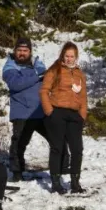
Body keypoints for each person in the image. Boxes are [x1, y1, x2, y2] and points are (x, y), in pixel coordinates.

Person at [2, 38, 68, 181]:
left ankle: (63, 168)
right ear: (15, 51)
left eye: (25, 51)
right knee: (19, 144)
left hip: (41, 109)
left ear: (30, 52)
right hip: (22, 112)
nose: (22, 53)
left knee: (57, 138)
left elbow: (49, 79)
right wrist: (37, 75)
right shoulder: (9, 66)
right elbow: (16, 84)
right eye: (19, 50)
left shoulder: (38, 63)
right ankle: (17, 172)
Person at [40, 41, 88, 195]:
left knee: (77, 149)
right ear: (63, 56)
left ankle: (75, 183)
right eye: (67, 56)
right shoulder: (55, 70)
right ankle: (56, 183)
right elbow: (44, 91)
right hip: (57, 113)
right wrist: (50, 111)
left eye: (72, 56)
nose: (69, 59)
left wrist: (82, 115)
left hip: (74, 115)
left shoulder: (79, 74)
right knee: (57, 148)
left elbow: (83, 96)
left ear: (76, 57)